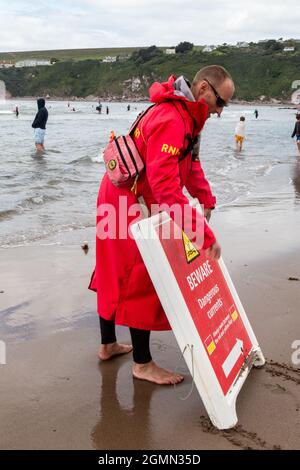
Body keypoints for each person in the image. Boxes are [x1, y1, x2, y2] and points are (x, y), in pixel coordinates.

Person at [89, 66, 234, 385]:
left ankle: (108, 344)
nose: (221, 112)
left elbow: (190, 164)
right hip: (130, 201)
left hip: (117, 193)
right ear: (204, 89)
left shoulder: (188, 117)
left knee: (112, 270)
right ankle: (142, 363)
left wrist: (206, 198)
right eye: (221, 103)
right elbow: (166, 187)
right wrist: (202, 236)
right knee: (142, 276)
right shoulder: (173, 118)